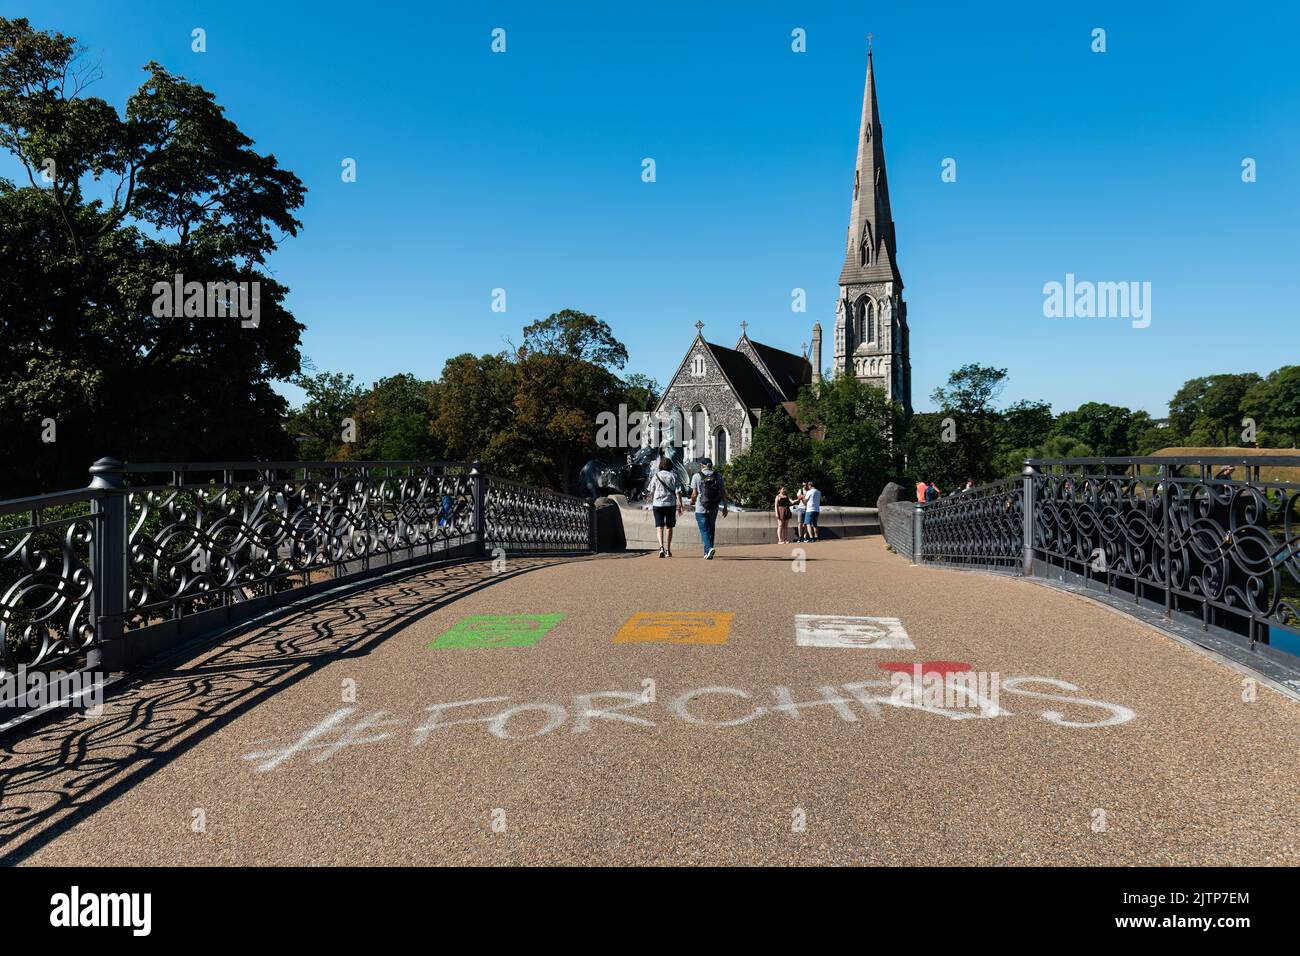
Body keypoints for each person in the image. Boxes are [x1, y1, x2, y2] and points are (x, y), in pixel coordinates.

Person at [690, 458, 728, 559]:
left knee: (704, 530)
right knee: (711, 529)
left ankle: (709, 548)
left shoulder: (696, 476)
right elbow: (723, 492)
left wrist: (692, 501)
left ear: (702, 465)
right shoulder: (718, 476)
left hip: (700, 507)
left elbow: (694, 494)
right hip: (714, 507)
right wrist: (725, 507)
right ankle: (707, 553)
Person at [647, 455, 683, 557]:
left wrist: (650, 501)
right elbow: (678, 492)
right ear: (670, 466)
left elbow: (650, 491)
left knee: (659, 527)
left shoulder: (656, 475)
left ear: (660, 465)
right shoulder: (674, 476)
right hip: (670, 504)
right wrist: (680, 505)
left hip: (657, 504)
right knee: (669, 527)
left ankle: (661, 547)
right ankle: (668, 550)